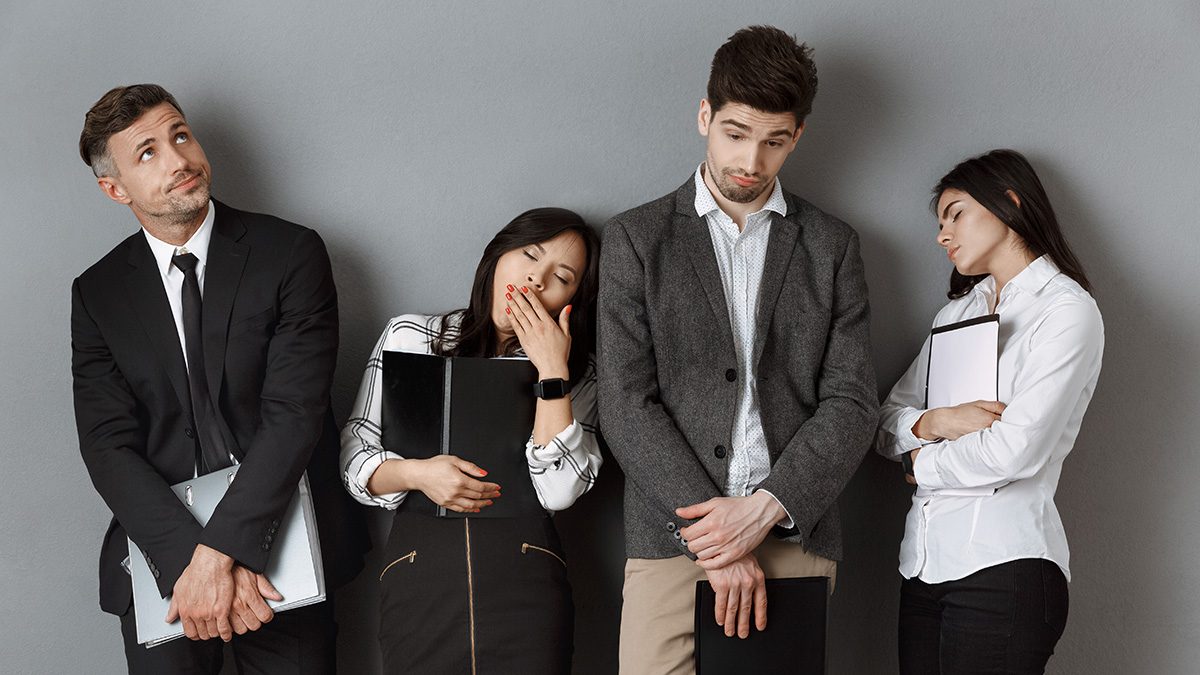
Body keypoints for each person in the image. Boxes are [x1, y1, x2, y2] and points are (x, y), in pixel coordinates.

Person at [597, 25, 878, 674]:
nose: (751, 159)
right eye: (735, 133)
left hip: (793, 534)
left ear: (798, 135)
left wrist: (763, 510)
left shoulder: (832, 247)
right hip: (671, 539)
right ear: (705, 115)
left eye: (774, 141)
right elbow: (625, 402)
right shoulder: (636, 240)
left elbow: (852, 401)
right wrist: (719, 542)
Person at [71, 84, 369, 674]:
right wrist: (191, 564)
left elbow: (294, 414)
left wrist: (221, 554)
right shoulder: (97, 293)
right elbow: (107, 445)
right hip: (164, 561)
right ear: (115, 188)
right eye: (148, 152)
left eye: (180, 134)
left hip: (287, 544)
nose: (179, 159)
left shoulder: (291, 253)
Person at [340, 208, 602, 674]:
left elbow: (560, 492)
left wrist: (551, 371)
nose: (536, 280)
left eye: (561, 276)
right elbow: (354, 454)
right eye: (529, 255)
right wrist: (417, 474)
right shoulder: (411, 336)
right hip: (420, 577)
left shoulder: (578, 374)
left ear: (572, 299)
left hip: (525, 585)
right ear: (498, 254)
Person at [875, 149, 1104, 674]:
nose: (942, 234)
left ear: (1009, 203)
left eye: (955, 213)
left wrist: (919, 465)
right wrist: (936, 422)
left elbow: (1013, 450)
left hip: (1006, 569)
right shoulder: (957, 312)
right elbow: (887, 422)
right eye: (939, 223)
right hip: (924, 567)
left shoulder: (1066, 311)